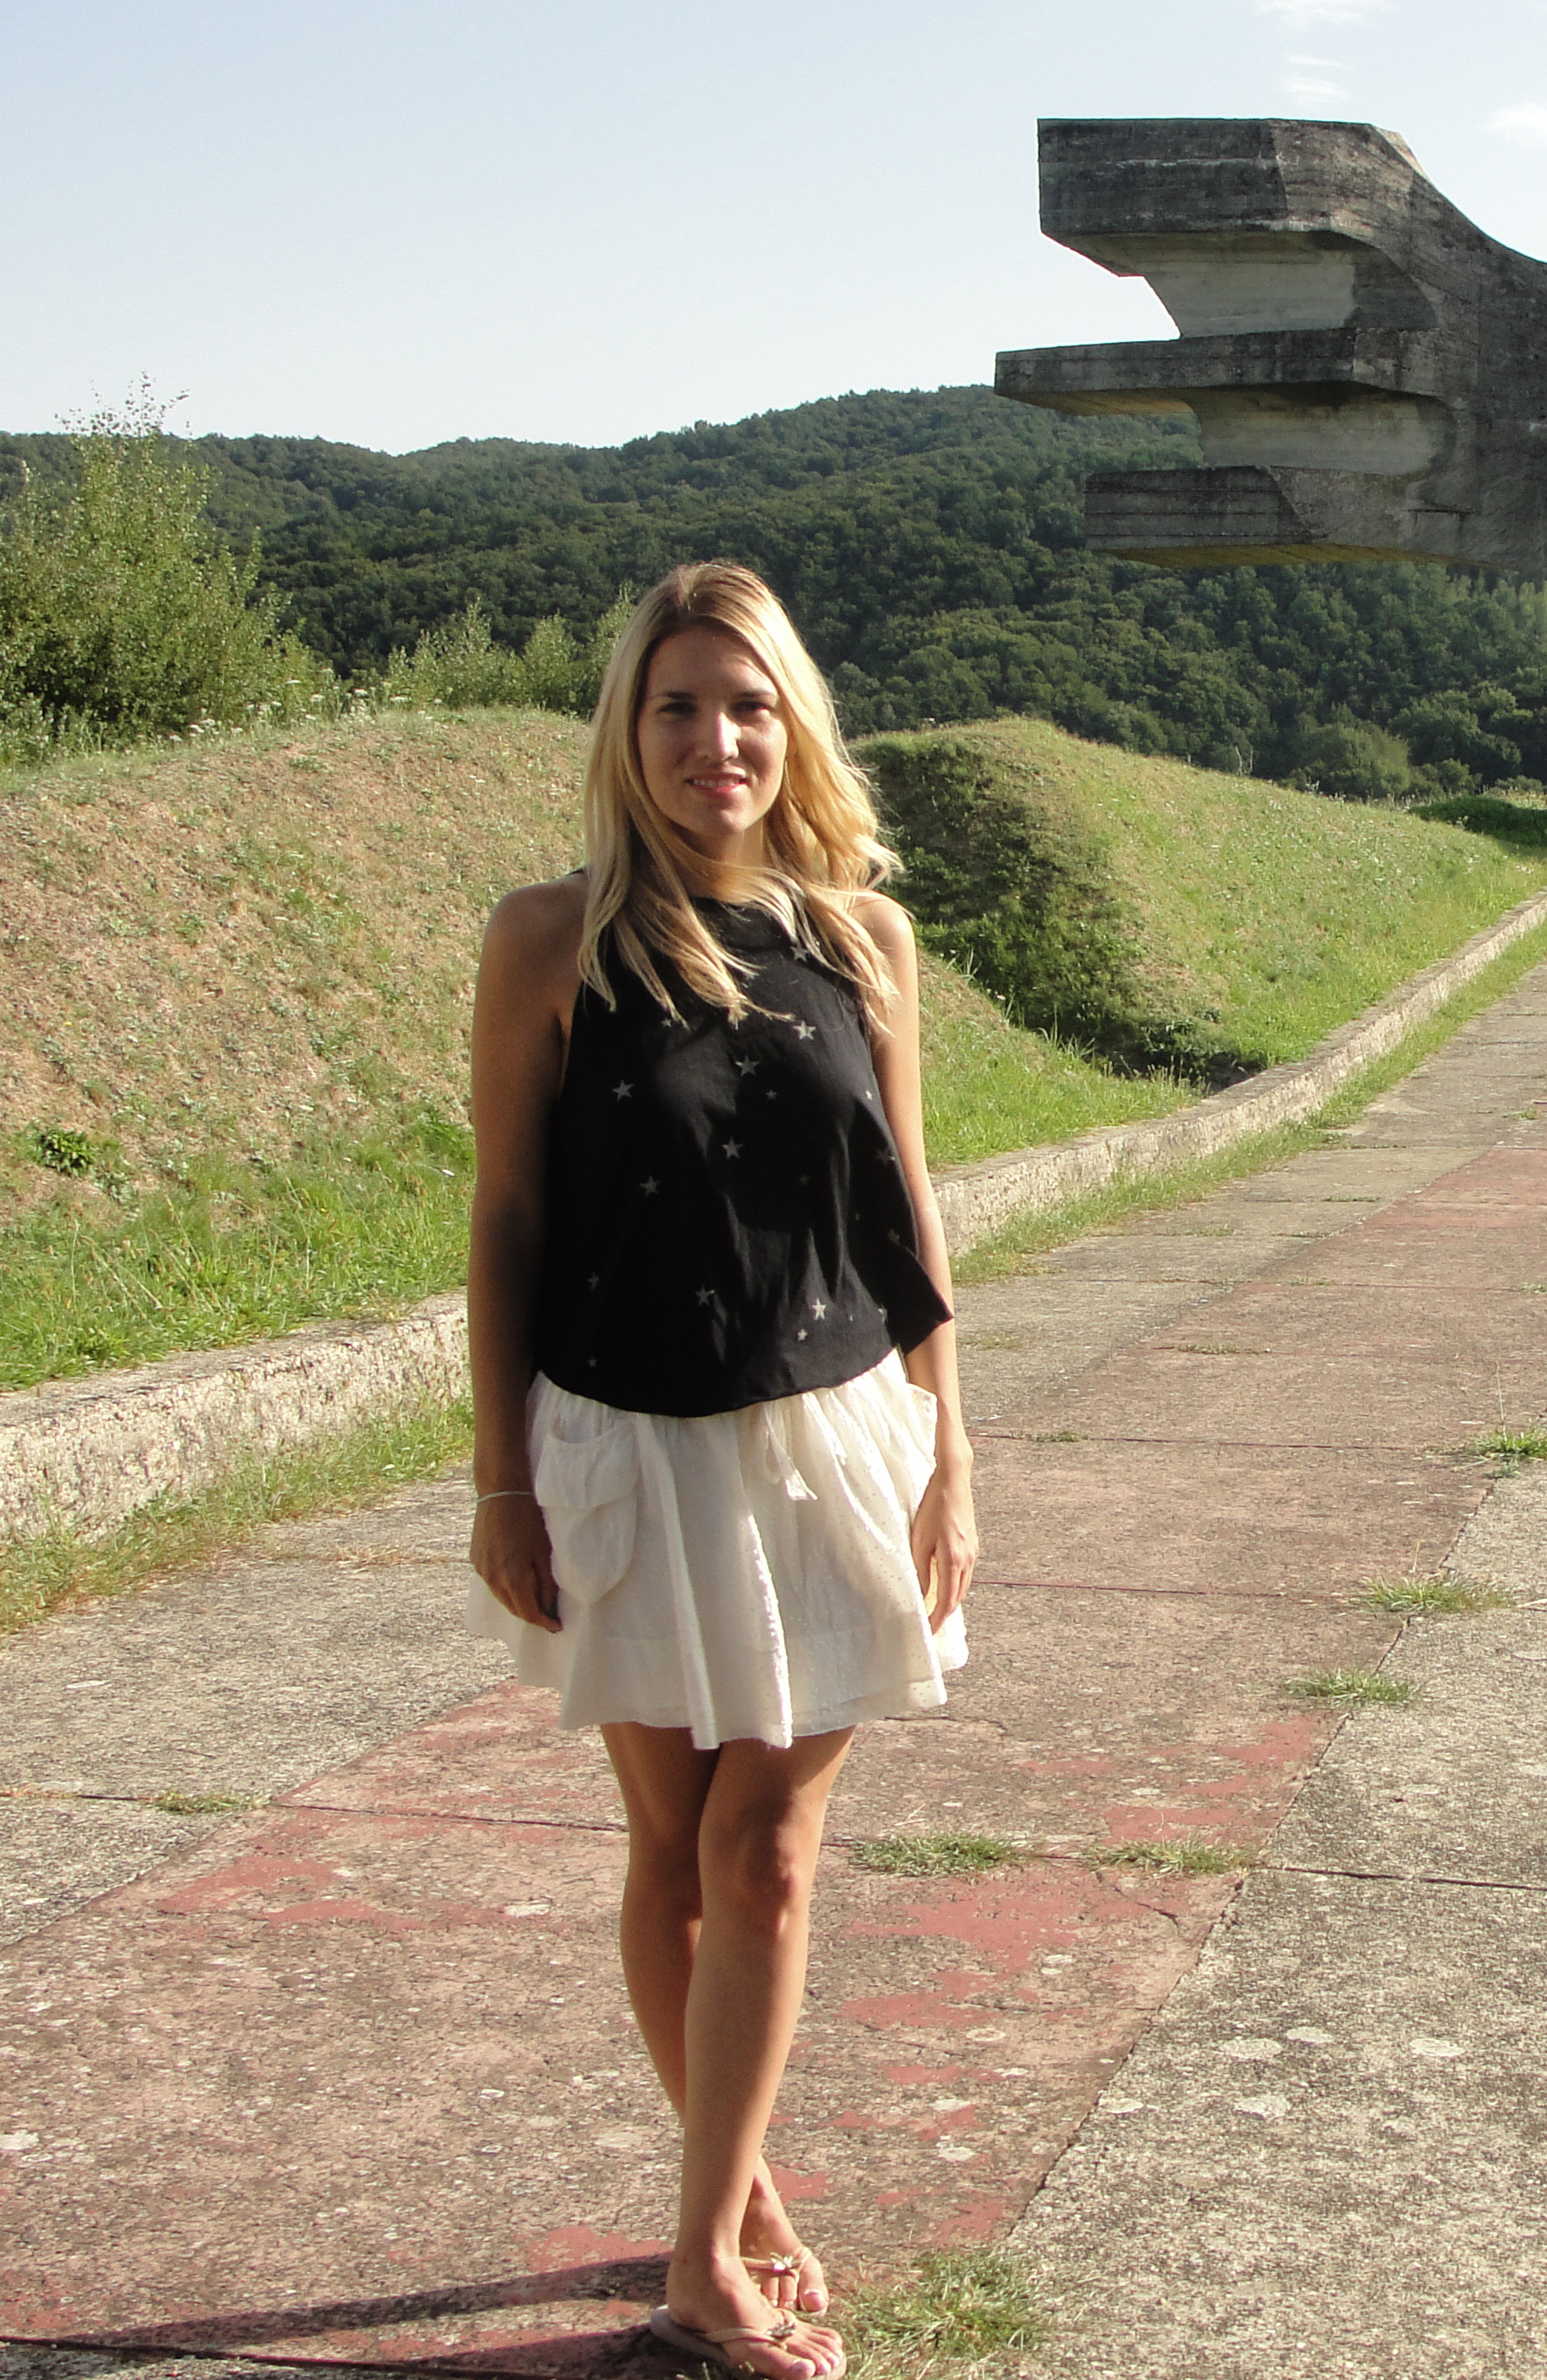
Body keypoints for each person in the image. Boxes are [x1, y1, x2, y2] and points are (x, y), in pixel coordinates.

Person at [464, 560, 976, 2380]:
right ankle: (741, 2191)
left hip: (837, 1436)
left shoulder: (861, 942)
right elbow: (511, 1212)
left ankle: (696, 2258)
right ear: (630, 730)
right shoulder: (553, 940)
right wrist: (499, 1474)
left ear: (795, 726)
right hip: (622, 1440)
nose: (714, 740)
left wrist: (953, 1449)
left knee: (766, 1856)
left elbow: (905, 1208)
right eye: (678, 705)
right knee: (672, 1853)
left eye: (747, 705)